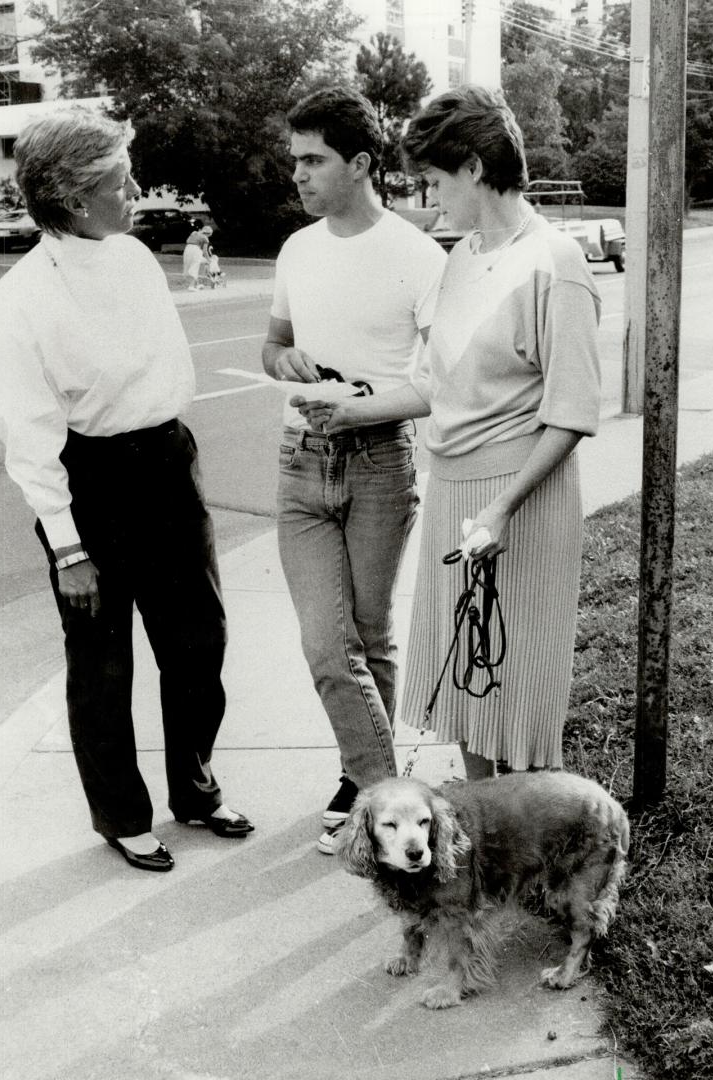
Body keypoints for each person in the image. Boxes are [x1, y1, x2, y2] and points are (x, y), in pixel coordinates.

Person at [293, 85, 601, 781]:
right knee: (465, 690)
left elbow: (571, 411)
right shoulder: (459, 257)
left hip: (519, 499)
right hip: (454, 494)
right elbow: (436, 384)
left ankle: (527, 866)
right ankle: (483, 858)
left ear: (470, 167)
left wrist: (500, 509)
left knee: (512, 688)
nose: (430, 199)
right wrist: (349, 411)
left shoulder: (556, 261)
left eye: (433, 180)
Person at [0, 107, 253, 874]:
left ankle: (194, 792)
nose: (134, 188)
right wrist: (69, 549)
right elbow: (29, 438)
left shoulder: (132, 259)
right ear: (69, 198)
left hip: (167, 462)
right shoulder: (20, 302)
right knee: (102, 665)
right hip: (87, 482)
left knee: (200, 642)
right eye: (117, 179)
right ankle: (122, 816)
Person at [262, 86, 447, 853]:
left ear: (362, 162)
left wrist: (358, 411)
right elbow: (269, 348)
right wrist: (287, 360)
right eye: (295, 160)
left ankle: (359, 780)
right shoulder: (297, 250)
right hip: (300, 466)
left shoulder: (418, 256)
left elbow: (439, 384)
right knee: (323, 644)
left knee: (368, 638)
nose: (298, 176)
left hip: (377, 463)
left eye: (314, 160)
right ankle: (386, 793)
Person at [183, 221, 212, 290]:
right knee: (195, 266)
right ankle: (191, 286)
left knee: (190, 265)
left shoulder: (194, 233)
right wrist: (209, 259)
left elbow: (187, 240)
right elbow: (205, 251)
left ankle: (197, 284)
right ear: (208, 234)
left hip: (187, 249)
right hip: (196, 251)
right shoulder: (205, 238)